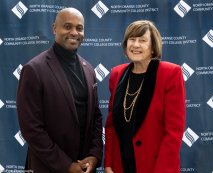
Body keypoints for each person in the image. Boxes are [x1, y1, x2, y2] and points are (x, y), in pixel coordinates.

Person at [16, 8, 103, 173]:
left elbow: (96, 117)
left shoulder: (89, 69)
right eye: (67, 26)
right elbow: (31, 128)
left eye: (79, 28)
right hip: (48, 167)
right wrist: (66, 166)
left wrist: (94, 155)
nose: (74, 32)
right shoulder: (34, 69)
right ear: (54, 28)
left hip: (84, 167)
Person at [104, 20, 186, 173]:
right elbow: (110, 126)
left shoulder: (170, 74)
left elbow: (174, 132)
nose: (135, 45)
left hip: (155, 167)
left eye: (142, 40)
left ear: (153, 47)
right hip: (120, 165)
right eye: (132, 39)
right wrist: (108, 163)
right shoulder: (117, 74)